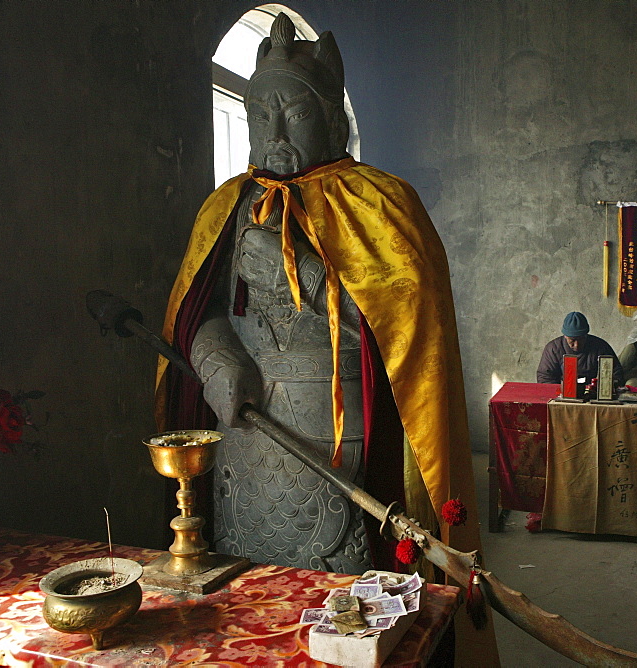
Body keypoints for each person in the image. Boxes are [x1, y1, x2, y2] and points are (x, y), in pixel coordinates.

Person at [155, 12, 485, 584]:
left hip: (334, 425)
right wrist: (215, 359)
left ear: (332, 120)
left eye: (296, 113)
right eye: (261, 116)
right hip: (246, 424)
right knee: (248, 574)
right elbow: (197, 313)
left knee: (343, 583)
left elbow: (405, 334)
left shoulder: (379, 202)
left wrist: (305, 276)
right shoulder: (228, 207)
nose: (276, 134)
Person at [537, 311, 625, 386]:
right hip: (562, 394)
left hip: (591, 394)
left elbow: (616, 373)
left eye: (581, 339)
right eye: (572, 340)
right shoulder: (553, 349)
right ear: (565, 336)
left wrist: (600, 388)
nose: (576, 345)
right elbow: (545, 378)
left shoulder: (600, 347)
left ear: (586, 335)